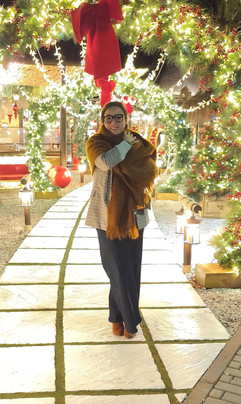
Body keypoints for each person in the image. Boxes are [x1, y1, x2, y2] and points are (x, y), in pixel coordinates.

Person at [85, 101, 157, 339]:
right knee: (115, 269)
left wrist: (128, 145)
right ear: (102, 121)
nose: (113, 122)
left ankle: (116, 318)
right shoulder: (96, 142)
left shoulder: (139, 142)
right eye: (108, 118)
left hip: (135, 214)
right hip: (107, 216)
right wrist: (125, 145)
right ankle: (130, 320)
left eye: (118, 117)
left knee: (131, 269)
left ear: (126, 119)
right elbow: (106, 162)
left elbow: (149, 168)